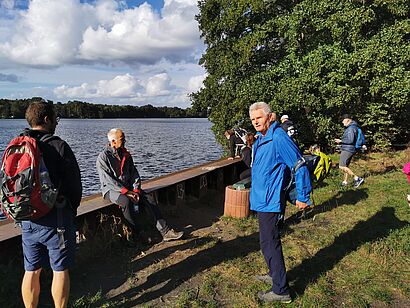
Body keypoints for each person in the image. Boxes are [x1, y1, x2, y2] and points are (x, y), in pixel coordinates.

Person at [20, 100, 82, 308]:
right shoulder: (58, 145)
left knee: (31, 269)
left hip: (27, 217)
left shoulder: (19, 144)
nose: (56, 122)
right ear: (46, 119)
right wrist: (72, 211)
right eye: (55, 118)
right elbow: (74, 186)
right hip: (55, 218)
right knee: (59, 269)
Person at [249, 102, 311, 303]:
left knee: (270, 242)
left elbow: (299, 164)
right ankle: (275, 274)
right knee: (266, 241)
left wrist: (303, 195)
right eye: (252, 119)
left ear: (270, 117)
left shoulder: (278, 138)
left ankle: (281, 290)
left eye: (259, 117)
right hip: (261, 198)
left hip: (271, 200)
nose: (255, 122)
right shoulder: (262, 138)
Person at [96, 128, 183, 243]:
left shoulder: (126, 155)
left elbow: (134, 174)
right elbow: (108, 181)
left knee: (149, 199)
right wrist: (126, 192)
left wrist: (136, 190)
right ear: (113, 142)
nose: (125, 141)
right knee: (125, 202)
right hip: (110, 190)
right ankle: (138, 234)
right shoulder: (103, 157)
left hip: (128, 188)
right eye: (122, 139)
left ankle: (165, 232)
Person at [334, 114, 364, 188]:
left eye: (343, 120)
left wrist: (340, 141)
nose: (342, 122)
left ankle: (357, 179)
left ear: (347, 119)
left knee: (341, 166)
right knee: (346, 166)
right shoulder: (354, 127)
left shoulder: (351, 128)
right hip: (350, 149)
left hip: (347, 149)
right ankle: (345, 182)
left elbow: (350, 140)